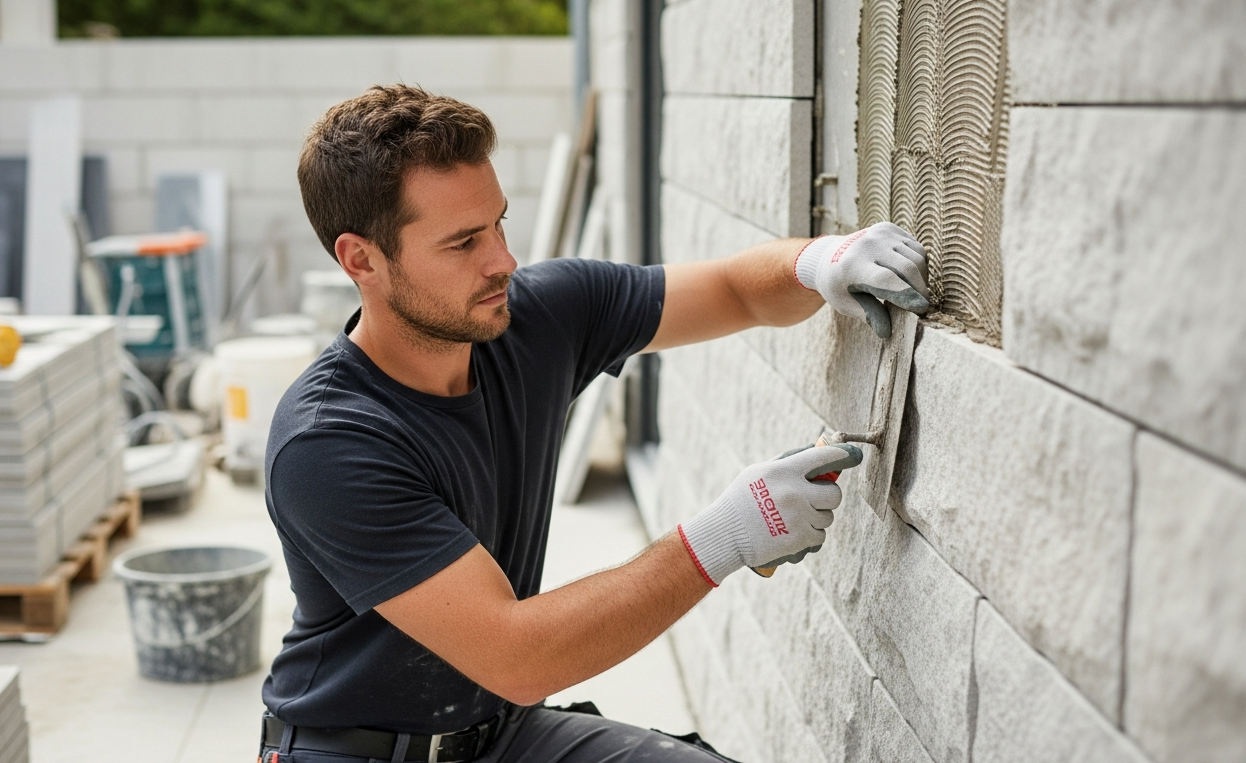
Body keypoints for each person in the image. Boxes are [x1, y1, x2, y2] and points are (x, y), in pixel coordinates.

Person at [259, 84, 929, 763]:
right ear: (361, 260)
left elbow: (731, 290)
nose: (502, 261)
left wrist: (821, 262)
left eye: (498, 223)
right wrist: (730, 532)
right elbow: (518, 655)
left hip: (503, 734)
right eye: (463, 242)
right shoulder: (329, 442)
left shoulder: (531, 316)